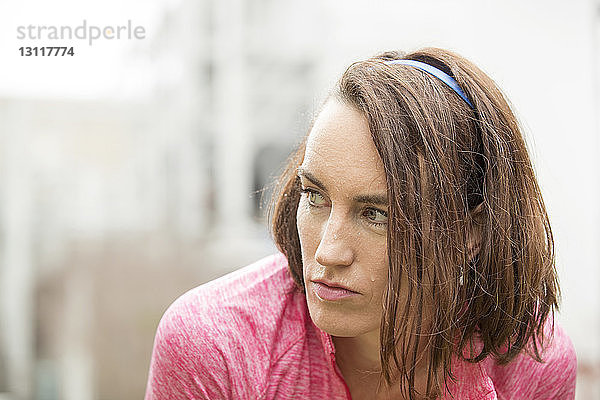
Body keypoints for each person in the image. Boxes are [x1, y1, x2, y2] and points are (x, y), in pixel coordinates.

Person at [144, 47, 577, 400]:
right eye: (315, 197)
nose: (328, 252)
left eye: (376, 215)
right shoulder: (214, 346)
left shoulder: (531, 363)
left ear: (472, 232)